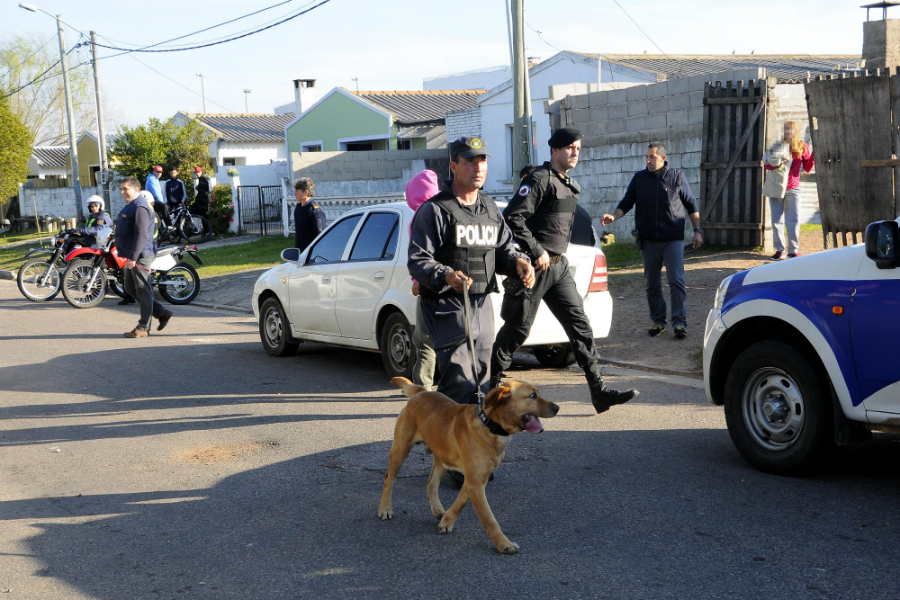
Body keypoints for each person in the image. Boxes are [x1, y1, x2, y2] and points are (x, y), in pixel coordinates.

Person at [492, 128, 638, 413]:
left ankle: (599, 392)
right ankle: (488, 389)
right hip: (534, 269)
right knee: (516, 331)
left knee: (581, 327)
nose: (575, 153)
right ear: (555, 150)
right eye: (570, 147)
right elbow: (513, 217)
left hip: (559, 268)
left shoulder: (569, 185)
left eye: (578, 148)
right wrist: (536, 250)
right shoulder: (539, 179)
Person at [408, 136, 535, 406]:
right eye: (469, 162)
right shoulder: (435, 210)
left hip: (482, 301)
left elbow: (503, 249)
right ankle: (444, 443)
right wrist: (445, 275)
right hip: (446, 304)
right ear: (453, 166)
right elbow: (418, 259)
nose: (478, 168)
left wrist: (518, 261)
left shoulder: (490, 209)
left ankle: (472, 442)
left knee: (482, 377)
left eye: (483, 160)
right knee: (458, 378)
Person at [602, 142, 702, 339]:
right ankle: (658, 321)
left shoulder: (676, 177)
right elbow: (626, 202)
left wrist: (697, 231)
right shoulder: (639, 179)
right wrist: (614, 216)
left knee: (676, 281)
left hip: (672, 239)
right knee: (652, 284)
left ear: (663, 158)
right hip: (648, 241)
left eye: (652, 157)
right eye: (647, 157)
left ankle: (679, 323)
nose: (648, 161)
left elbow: (691, 204)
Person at [116, 176, 172, 338]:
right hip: (132, 254)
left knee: (143, 290)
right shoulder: (132, 205)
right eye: (121, 189)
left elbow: (141, 235)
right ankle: (162, 312)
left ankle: (143, 327)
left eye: (125, 189)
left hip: (140, 255)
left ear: (136, 189)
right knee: (130, 288)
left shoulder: (140, 206)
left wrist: (133, 257)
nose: (122, 192)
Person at [406, 169, 440, 391]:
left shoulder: (420, 215)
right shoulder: (446, 209)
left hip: (430, 284)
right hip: (452, 283)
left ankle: (422, 388)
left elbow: (421, 255)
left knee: (424, 338)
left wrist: (417, 281)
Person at [765, 120, 814, 260]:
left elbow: (808, 167)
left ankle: (793, 250)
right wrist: (778, 163)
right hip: (776, 188)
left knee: (793, 219)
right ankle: (779, 250)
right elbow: (766, 165)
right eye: (786, 129)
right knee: (776, 219)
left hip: (793, 188)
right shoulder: (777, 146)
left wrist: (814, 155)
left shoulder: (802, 147)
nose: (788, 131)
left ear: (796, 131)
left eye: (790, 129)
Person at [293, 177, 325, 252]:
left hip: (311, 254)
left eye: (297, 191)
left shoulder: (314, 211)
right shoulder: (298, 208)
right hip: (301, 252)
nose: (295, 194)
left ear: (306, 192)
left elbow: (319, 235)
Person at [147, 165, 173, 231]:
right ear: (154, 172)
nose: (159, 173)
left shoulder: (155, 179)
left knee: (159, 217)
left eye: (160, 172)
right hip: (151, 200)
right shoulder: (152, 179)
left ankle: (162, 232)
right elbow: (156, 194)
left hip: (153, 200)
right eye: (157, 172)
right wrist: (164, 203)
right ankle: (169, 225)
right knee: (164, 207)